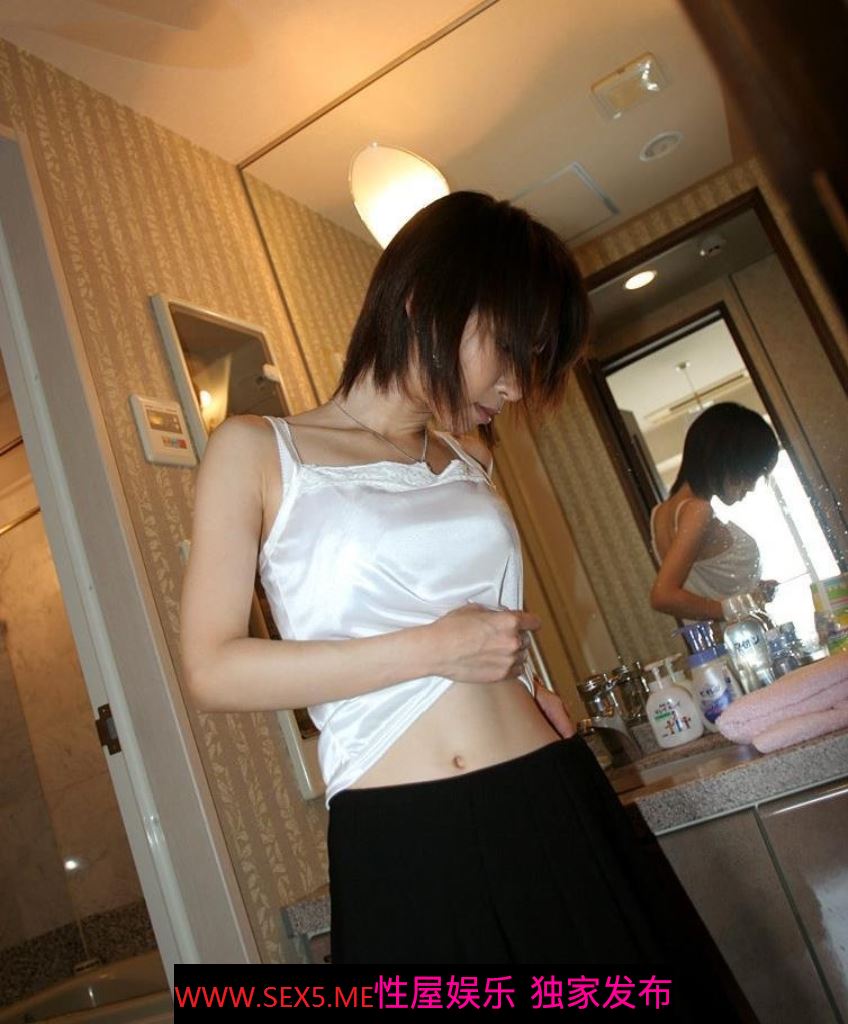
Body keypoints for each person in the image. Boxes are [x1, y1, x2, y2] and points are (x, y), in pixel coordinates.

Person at [179, 191, 756, 1015]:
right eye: (510, 352)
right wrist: (434, 649)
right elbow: (211, 669)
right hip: (406, 836)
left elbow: (490, 617)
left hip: (551, 795)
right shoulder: (257, 451)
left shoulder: (471, 456)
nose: (516, 387)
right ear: (425, 300)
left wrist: (528, 684)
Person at [650, 402, 780, 623]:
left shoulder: (660, 513)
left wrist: (750, 592)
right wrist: (740, 607)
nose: (751, 487)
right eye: (752, 475)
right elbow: (663, 596)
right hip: (743, 638)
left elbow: (702, 584)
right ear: (727, 460)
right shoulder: (697, 511)